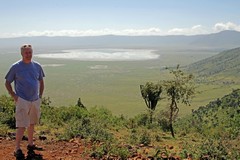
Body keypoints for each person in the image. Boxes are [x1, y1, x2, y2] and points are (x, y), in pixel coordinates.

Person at [5, 44, 45, 158]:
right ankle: (17, 148)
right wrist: (14, 95)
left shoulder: (37, 66)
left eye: (30, 52)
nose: (28, 55)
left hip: (35, 100)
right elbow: (7, 82)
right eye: (26, 53)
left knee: (32, 123)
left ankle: (30, 144)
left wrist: (40, 96)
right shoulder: (16, 67)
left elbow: (41, 81)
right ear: (22, 53)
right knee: (22, 125)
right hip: (22, 100)